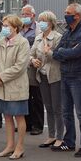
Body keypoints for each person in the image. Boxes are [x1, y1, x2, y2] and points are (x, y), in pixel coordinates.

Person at [52, 3, 81, 157]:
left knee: (80, 112)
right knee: (66, 111)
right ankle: (69, 142)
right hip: (65, 75)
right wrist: (65, 51)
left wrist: (64, 52)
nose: (65, 15)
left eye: (68, 12)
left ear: (77, 15)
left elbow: (76, 53)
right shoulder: (68, 31)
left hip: (77, 76)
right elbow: (56, 53)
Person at [0, 14, 30, 158]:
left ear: (15, 27)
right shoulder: (1, 41)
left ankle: (20, 147)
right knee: (6, 117)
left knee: (19, 117)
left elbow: (20, 66)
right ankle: (9, 145)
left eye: (7, 26)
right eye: (3, 26)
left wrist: (1, 76)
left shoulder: (23, 42)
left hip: (16, 86)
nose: (4, 29)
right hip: (0, 86)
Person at [30, 11, 64, 149]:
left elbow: (58, 56)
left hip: (54, 76)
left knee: (57, 108)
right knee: (48, 107)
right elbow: (30, 53)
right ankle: (51, 135)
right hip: (41, 75)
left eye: (44, 20)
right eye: (40, 20)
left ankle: (60, 137)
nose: (42, 23)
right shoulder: (38, 37)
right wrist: (33, 61)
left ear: (51, 23)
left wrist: (48, 52)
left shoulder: (58, 37)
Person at [21, 4, 44, 135]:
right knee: (25, 96)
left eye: (27, 14)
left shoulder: (38, 29)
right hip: (21, 66)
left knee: (36, 97)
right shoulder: (19, 29)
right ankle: (26, 123)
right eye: (23, 14)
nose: (24, 17)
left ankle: (38, 124)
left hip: (33, 66)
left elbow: (38, 47)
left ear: (33, 16)